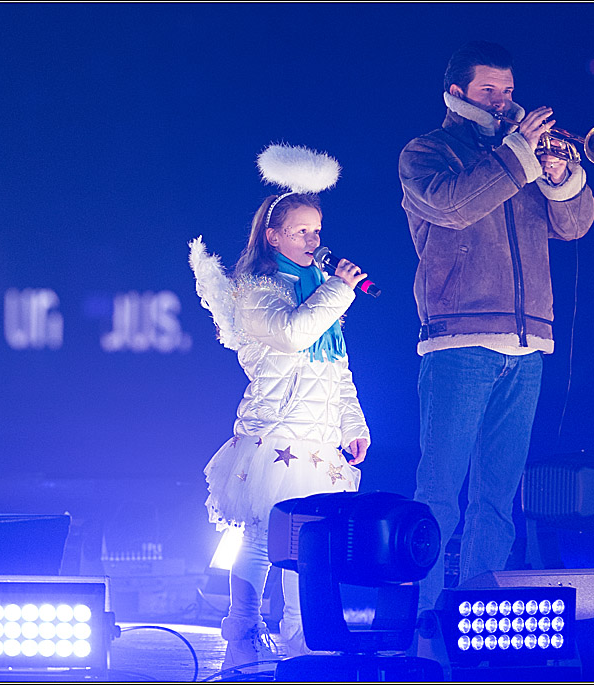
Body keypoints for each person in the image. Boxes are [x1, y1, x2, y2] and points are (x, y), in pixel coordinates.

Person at [397, 40, 594, 613]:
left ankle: (479, 617)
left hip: (528, 340)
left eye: (509, 90)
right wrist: (520, 158)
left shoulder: (522, 156)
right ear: (457, 92)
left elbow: (576, 226)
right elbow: (454, 207)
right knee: (438, 497)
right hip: (459, 338)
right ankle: (426, 619)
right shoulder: (427, 151)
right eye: (490, 90)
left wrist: (561, 176)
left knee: (498, 499)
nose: (505, 100)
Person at [189, 144, 371, 671]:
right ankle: (242, 633)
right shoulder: (258, 289)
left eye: (318, 230)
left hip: (318, 441)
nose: (314, 241)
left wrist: (352, 423)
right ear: (272, 235)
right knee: (264, 541)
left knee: (310, 543)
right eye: (301, 231)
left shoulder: (322, 291)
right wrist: (339, 289)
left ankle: (302, 635)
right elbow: (294, 334)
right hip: (276, 436)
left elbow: (337, 368)